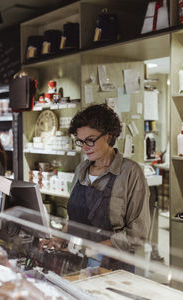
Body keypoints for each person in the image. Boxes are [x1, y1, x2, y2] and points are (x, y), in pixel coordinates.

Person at [41, 104, 151, 272]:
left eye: (90, 140)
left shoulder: (130, 173)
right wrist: (59, 238)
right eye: (80, 141)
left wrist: (94, 248)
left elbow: (137, 235)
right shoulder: (81, 169)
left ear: (108, 136)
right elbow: (76, 221)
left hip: (113, 267)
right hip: (77, 263)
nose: (84, 147)